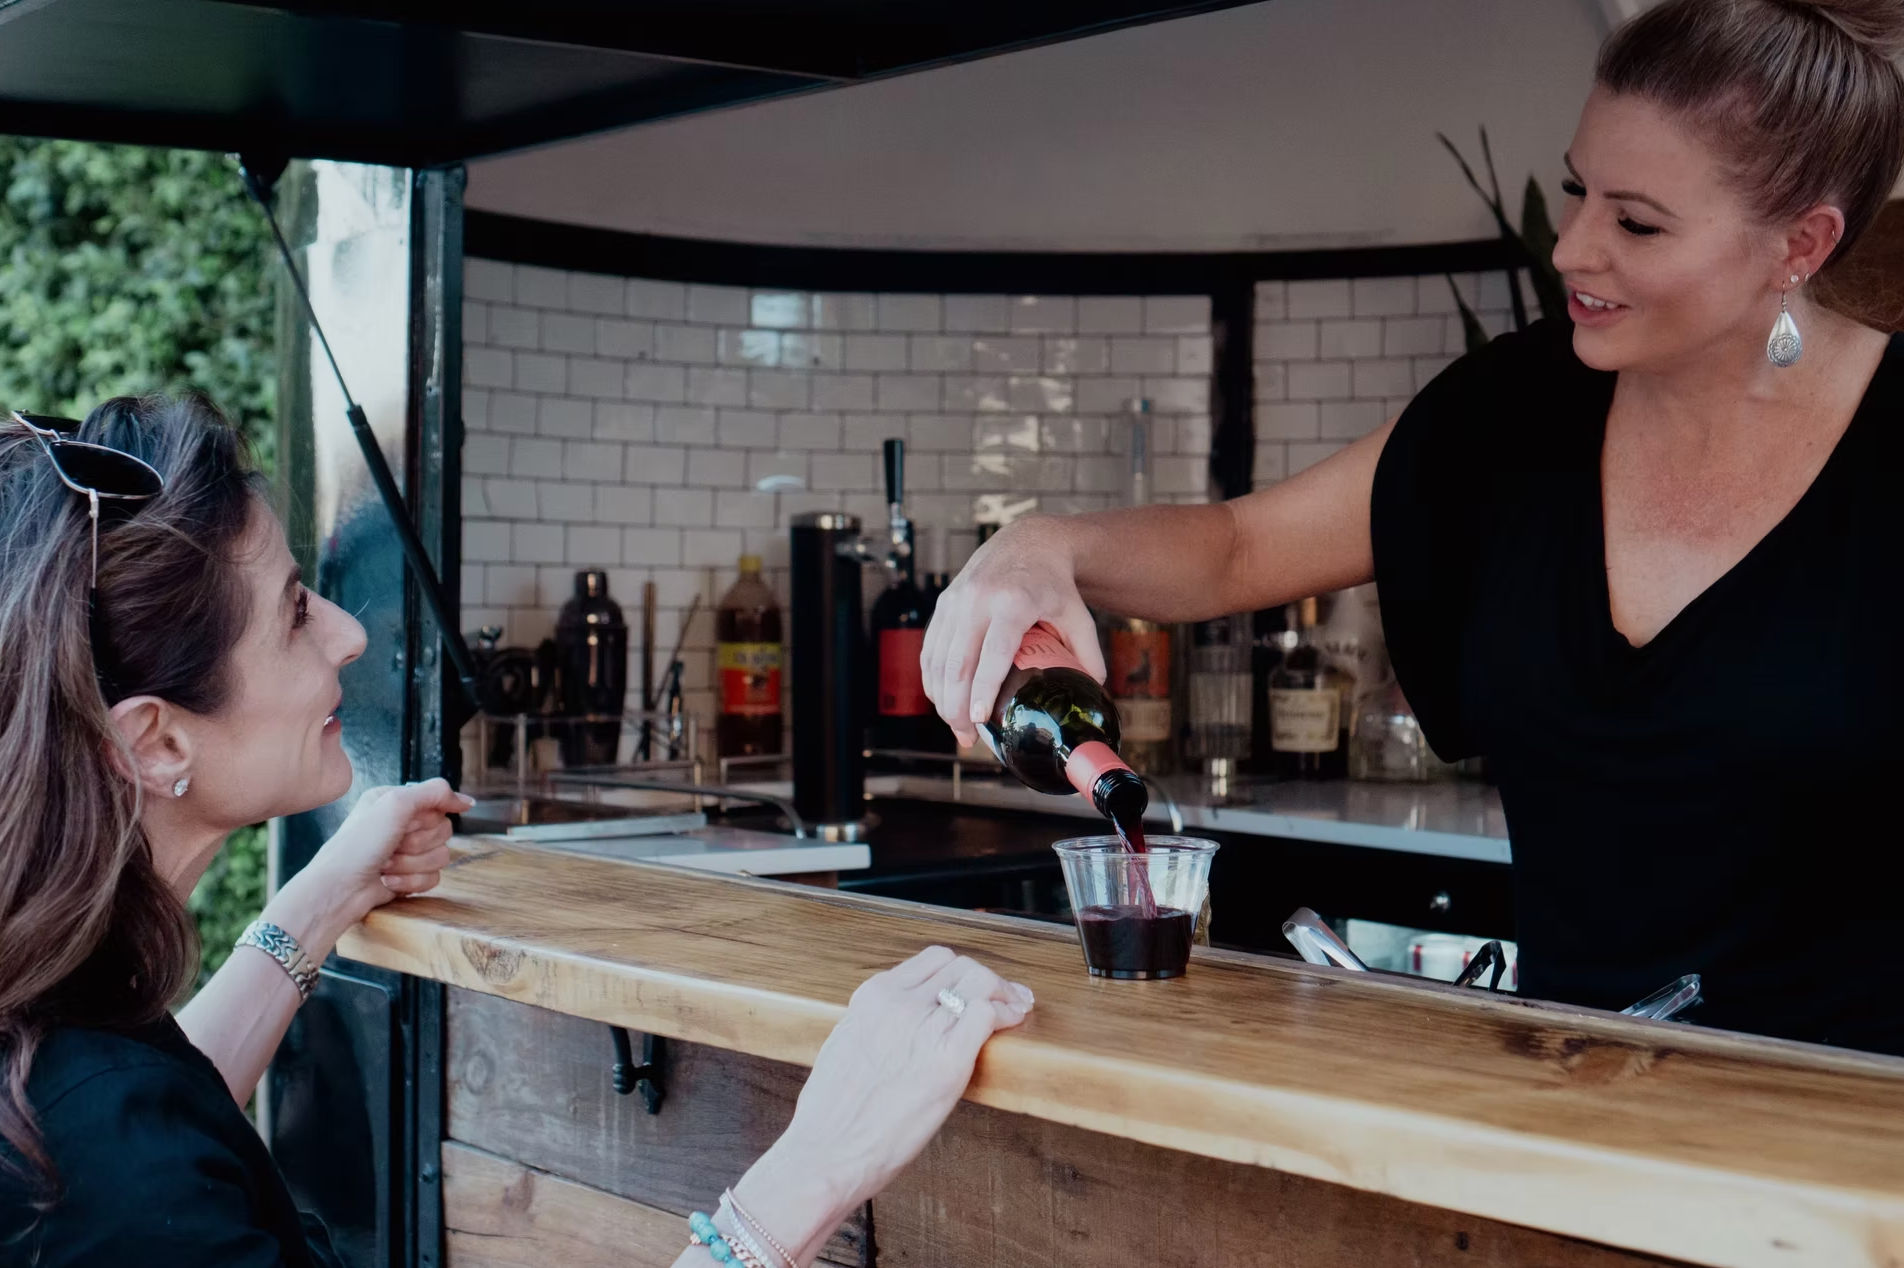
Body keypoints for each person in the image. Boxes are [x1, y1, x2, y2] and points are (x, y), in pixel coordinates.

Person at [925, 0, 1904, 1056]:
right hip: (1559, 1118)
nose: (1571, 248)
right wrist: (1039, 546)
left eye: (1635, 222)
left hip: (1852, 1153)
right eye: (1576, 190)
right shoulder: (1509, 415)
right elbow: (1238, 547)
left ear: (1798, 244)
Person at [0, 397, 1033, 1267]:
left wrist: (318, 902)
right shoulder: (107, 1160)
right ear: (153, 739)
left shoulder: (63, 1034)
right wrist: (818, 1164)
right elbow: (138, 1165)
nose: (350, 633)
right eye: (296, 611)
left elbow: (169, 1120)